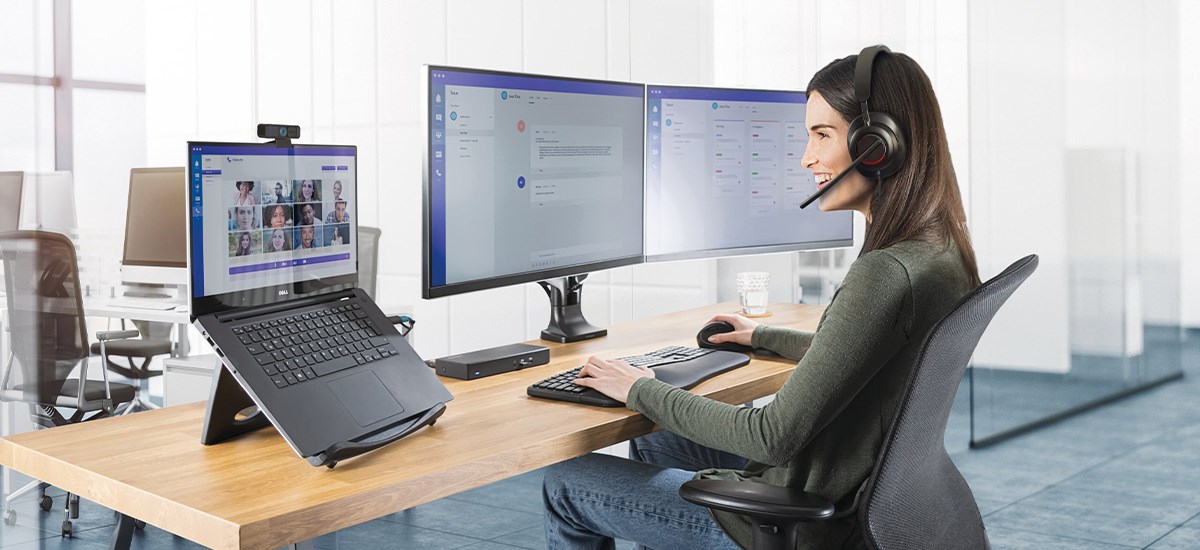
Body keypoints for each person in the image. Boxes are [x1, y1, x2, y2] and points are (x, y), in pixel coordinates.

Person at [541, 46, 981, 550]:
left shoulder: (885, 273)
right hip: (855, 490)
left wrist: (639, 386)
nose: (806, 157)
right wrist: (764, 336)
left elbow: (771, 436)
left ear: (878, 145)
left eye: (822, 135)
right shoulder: (941, 250)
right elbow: (874, 357)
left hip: (812, 521)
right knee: (656, 433)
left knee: (566, 482)